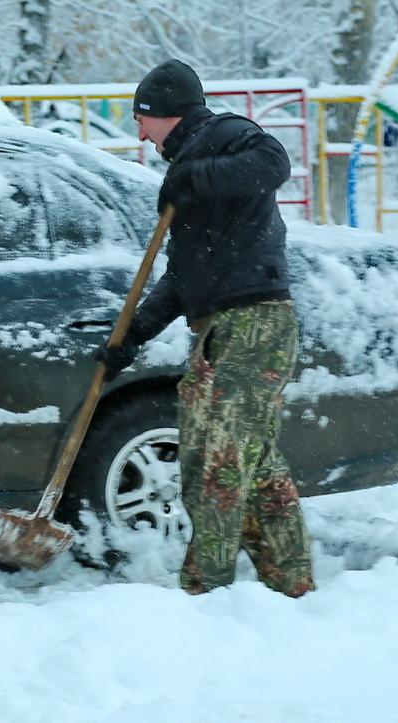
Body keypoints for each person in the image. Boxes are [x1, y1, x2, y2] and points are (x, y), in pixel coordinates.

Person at [94, 59, 315, 597]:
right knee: (247, 465)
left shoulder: (224, 136)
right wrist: (132, 336)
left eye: (142, 119)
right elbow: (183, 277)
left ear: (168, 114)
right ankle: (290, 583)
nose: (139, 133)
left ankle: (207, 590)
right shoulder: (190, 165)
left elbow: (274, 161)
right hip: (224, 328)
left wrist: (194, 178)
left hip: (253, 325)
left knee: (216, 464)